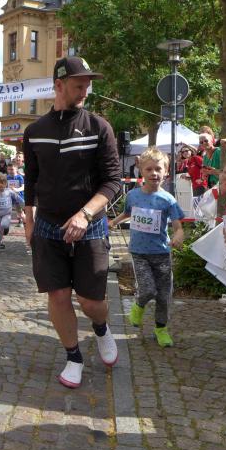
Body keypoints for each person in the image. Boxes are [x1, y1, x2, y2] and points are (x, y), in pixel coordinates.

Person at [23, 56, 121, 389]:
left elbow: (113, 181)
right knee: (59, 295)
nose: (85, 91)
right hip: (48, 226)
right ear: (59, 85)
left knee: (91, 301)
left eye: (87, 85)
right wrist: (28, 218)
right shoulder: (35, 131)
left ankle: (101, 329)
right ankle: (73, 357)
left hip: (90, 225)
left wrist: (85, 214)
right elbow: (30, 179)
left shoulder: (98, 127)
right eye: (79, 85)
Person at [109, 148, 184, 347]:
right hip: (139, 253)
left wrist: (178, 236)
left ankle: (161, 329)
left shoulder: (168, 200)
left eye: (158, 169)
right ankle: (138, 306)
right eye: (149, 169)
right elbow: (128, 213)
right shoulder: (133, 195)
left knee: (164, 296)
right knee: (148, 289)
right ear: (141, 171)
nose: (154, 173)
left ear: (166, 171)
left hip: (162, 253)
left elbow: (178, 227)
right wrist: (113, 222)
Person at [0, 173, 24, 250]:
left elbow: (18, 198)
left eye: (2, 185)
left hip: (7, 213)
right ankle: (1, 242)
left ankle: (6, 227)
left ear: (5, 184)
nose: (0, 187)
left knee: (4, 224)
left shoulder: (9, 191)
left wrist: (24, 205)